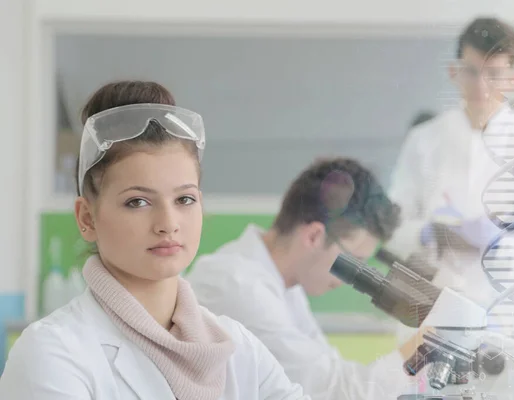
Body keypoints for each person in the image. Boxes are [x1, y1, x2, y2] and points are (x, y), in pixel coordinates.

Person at [0, 81, 309, 400]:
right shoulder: (51, 354)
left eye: (185, 199)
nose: (168, 224)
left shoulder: (239, 348)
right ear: (86, 218)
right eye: (138, 202)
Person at [386, 17, 514, 354]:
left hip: (510, 307)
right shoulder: (425, 140)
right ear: (453, 71)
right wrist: (427, 233)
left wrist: (504, 246)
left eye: (494, 75)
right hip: (434, 304)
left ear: (513, 78)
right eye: (471, 72)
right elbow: (391, 224)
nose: (481, 87)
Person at [187, 158, 421, 400]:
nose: (349, 280)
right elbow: (337, 393)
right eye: (355, 262)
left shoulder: (285, 283)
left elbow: (333, 370)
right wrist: (425, 347)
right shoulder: (238, 286)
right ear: (314, 236)